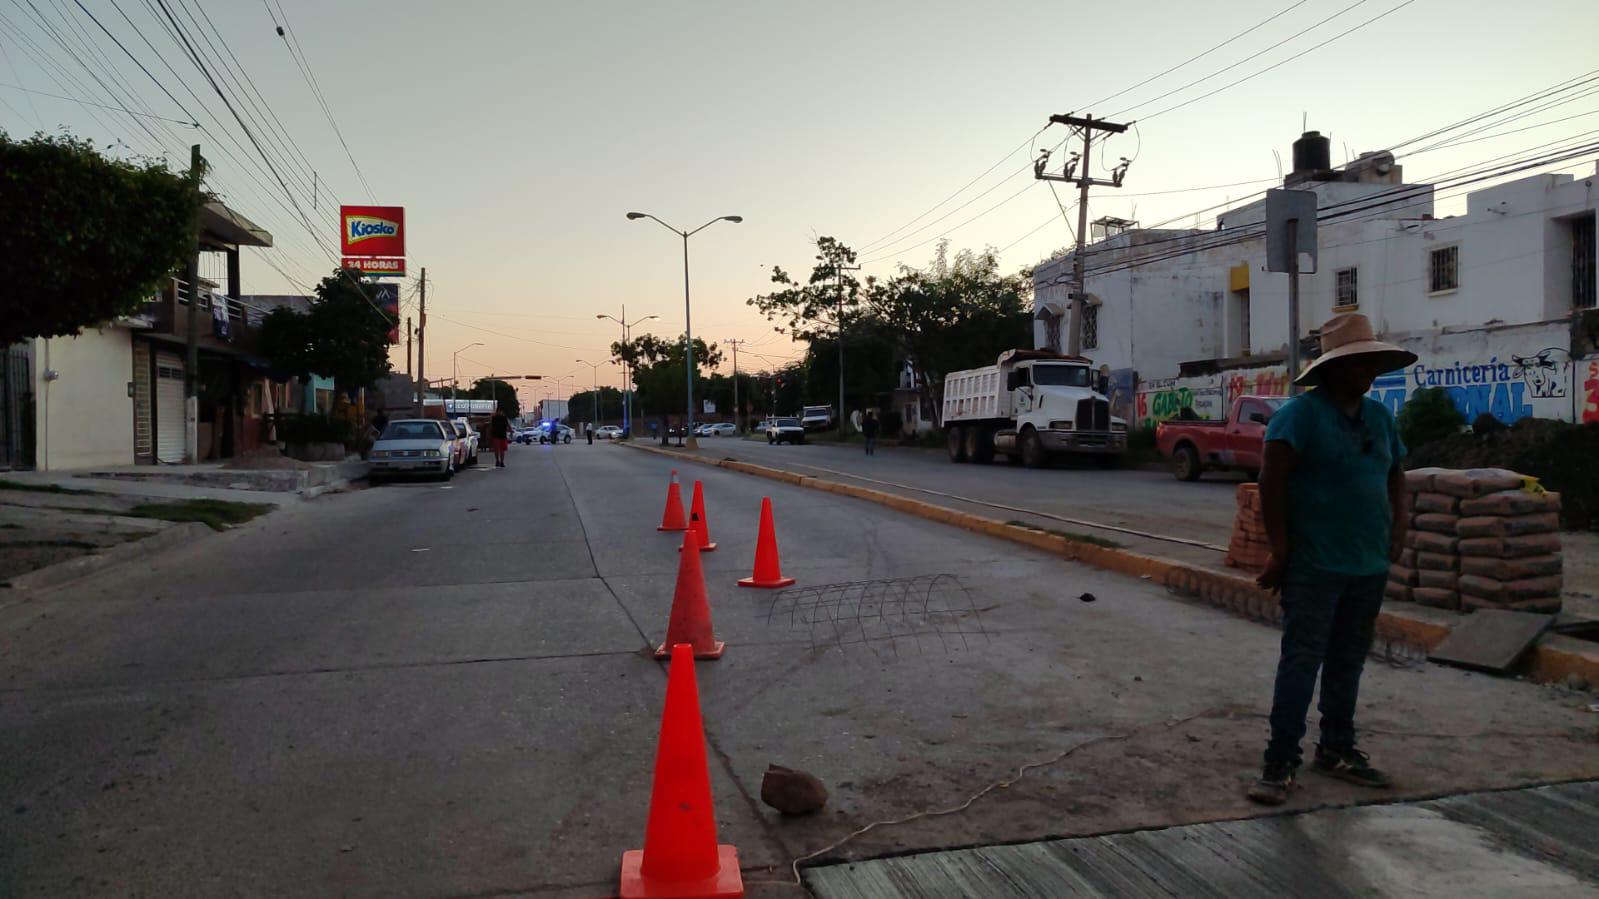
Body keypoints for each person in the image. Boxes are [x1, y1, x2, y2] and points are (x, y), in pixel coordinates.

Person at [1248, 313, 1415, 806]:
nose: (1368, 370)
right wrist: (1281, 550)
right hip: (1315, 566)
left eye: (1371, 362)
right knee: (1301, 661)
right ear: (1333, 367)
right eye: (1358, 361)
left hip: (1368, 565)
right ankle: (1279, 760)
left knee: (1348, 662)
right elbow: (1270, 484)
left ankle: (1337, 748)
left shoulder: (1380, 418)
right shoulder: (1298, 417)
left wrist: (1399, 529)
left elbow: (1396, 476)